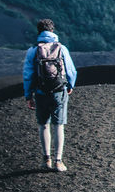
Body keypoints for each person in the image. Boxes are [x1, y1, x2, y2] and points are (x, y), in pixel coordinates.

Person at [23, 18, 78, 172]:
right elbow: (71, 70)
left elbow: (28, 75)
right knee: (58, 125)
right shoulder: (62, 49)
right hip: (59, 91)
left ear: (39, 31)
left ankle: (46, 159)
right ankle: (58, 161)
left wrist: (28, 96)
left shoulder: (33, 50)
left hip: (40, 92)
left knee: (43, 124)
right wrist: (70, 85)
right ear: (52, 31)